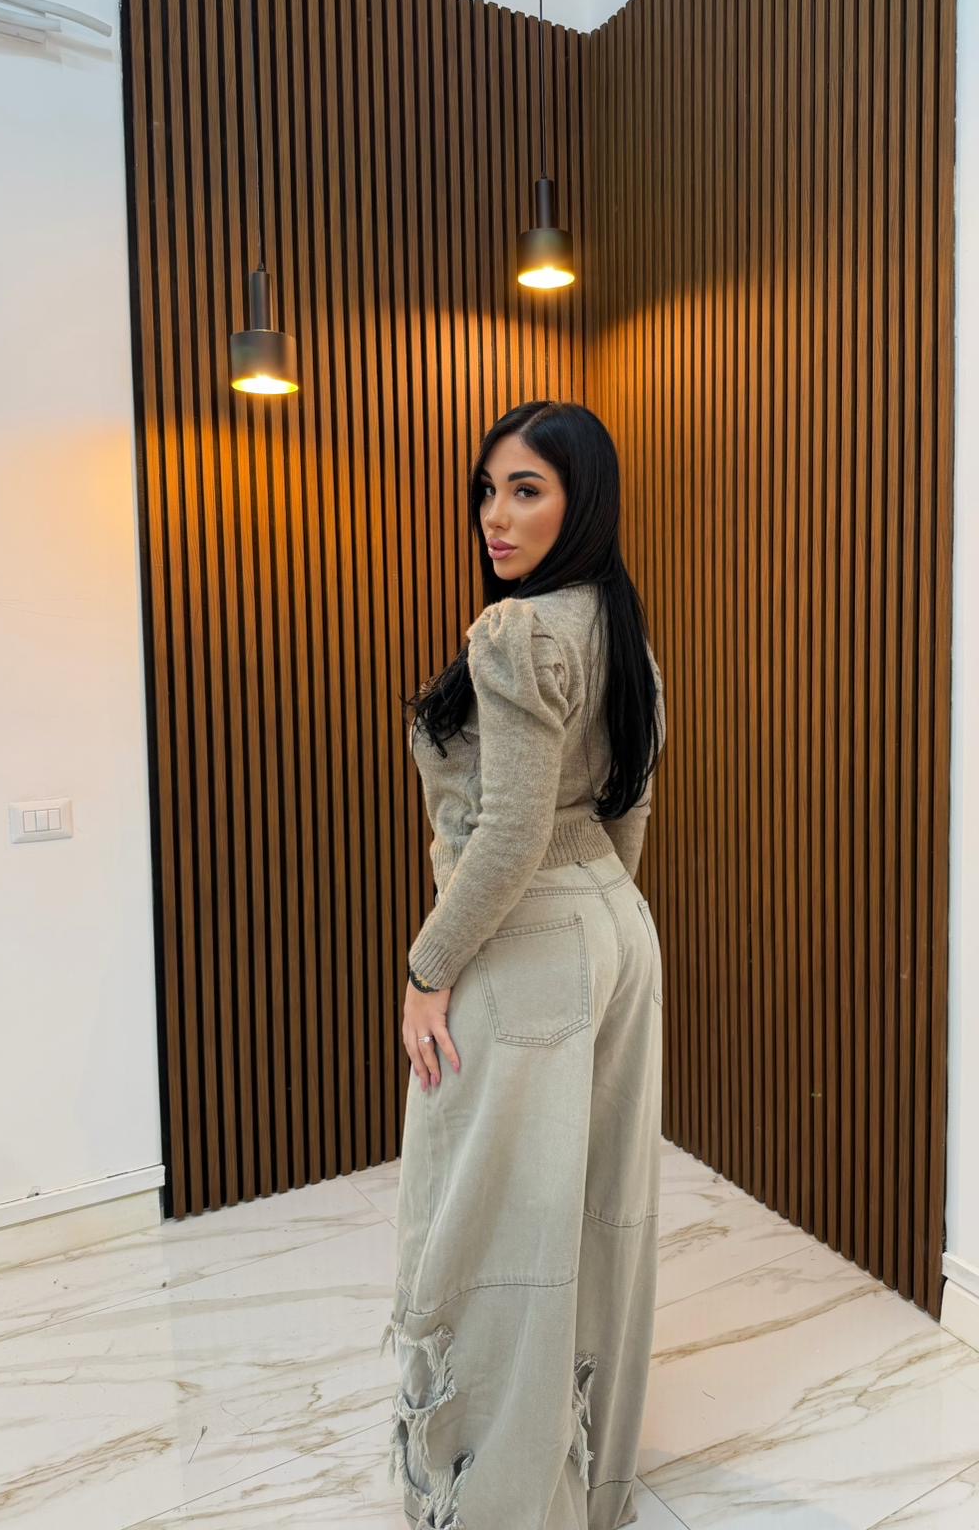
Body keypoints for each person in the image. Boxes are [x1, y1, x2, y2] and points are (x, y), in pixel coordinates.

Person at [381, 400, 667, 1530]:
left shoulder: (515, 631)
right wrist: (600, 916)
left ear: (580, 498)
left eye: (527, 490)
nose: (495, 516)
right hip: (616, 926)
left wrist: (427, 968)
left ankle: (498, 1498)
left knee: (490, 1219)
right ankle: (588, 1480)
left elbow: (505, 835)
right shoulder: (622, 631)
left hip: (526, 935)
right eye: (488, 490)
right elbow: (626, 806)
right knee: (595, 1208)